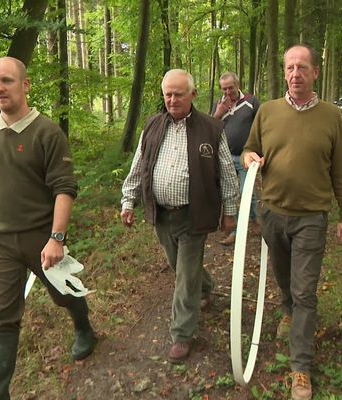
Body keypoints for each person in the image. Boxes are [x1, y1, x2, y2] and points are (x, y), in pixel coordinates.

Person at [0, 56, 97, 399]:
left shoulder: (47, 132)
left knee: (64, 295)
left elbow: (64, 188)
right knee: (2, 317)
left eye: (7, 81)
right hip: (0, 241)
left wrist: (56, 238)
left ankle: (84, 329)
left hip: (42, 237)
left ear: (25, 85)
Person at [242, 44, 342, 400]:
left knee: (306, 290)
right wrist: (248, 157)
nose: (295, 74)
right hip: (272, 212)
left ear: (315, 72)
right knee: (284, 276)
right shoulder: (268, 111)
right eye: (290, 67)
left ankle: (300, 367)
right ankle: (288, 311)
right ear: (285, 72)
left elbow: (340, 170)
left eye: (302, 67)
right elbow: (249, 147)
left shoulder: (332, 115)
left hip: (312, 216)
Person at [120, 69, 238, 363]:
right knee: (179, 265)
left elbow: (226, 172)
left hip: (194, 214)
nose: (172, 100)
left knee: (184, 276)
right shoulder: (152, 125)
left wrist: (230, 212)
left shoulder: (211, 128)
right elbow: (139, 165)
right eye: (168, 94)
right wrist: (128, 201)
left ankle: (181, 334)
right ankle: (207, 287)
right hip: (161, 214)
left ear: (193, 95)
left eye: (178, 94)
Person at [211, 71, 260, 245]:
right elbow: (210, 128)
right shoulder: (219, 104)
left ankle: (252, 220)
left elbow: (260, 126)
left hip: (245, 157)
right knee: (229, 194)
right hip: (224, 158)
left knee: (248, 192)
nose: (227, 92)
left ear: (237, 85)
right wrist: (218, 113)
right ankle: (235, 229)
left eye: (230, 88)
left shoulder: (251, 102)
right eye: (224, 89)